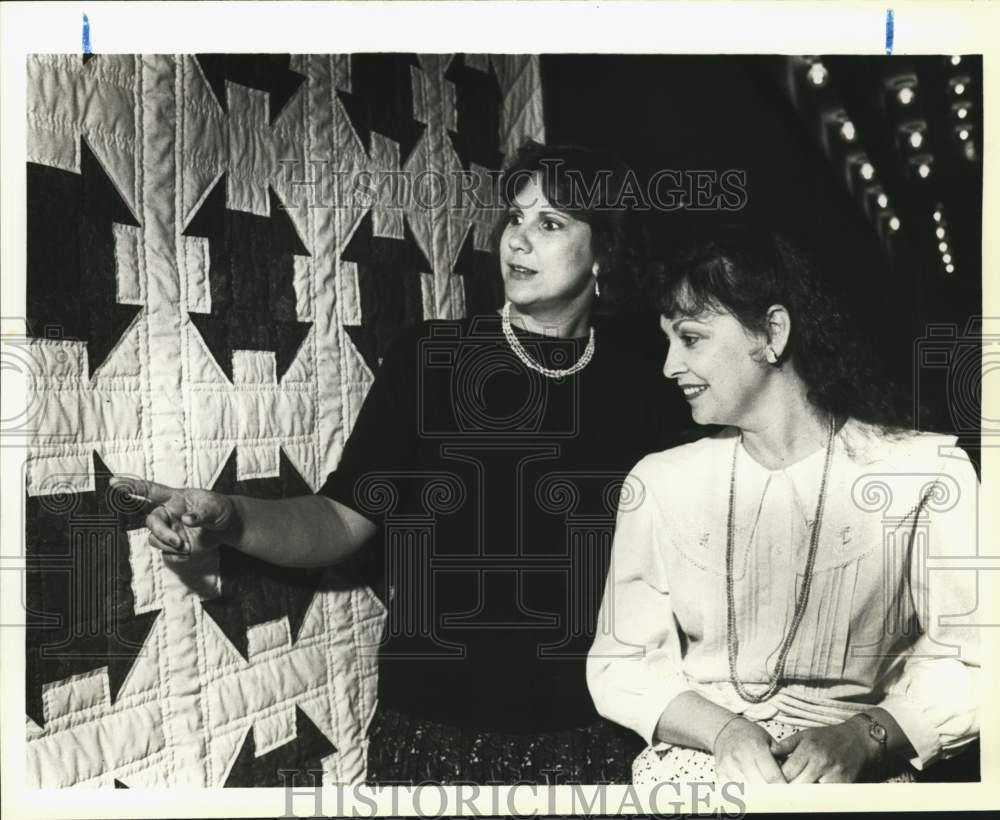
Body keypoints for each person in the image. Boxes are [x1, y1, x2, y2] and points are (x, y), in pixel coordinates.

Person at [113, 142, 690, 784]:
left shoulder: (650, 394)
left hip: (588, 742)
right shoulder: (431, 359)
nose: (517, 240)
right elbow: (340, 518)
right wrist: (229, 517)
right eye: (515, 218)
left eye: (550, 223)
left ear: (603, 254)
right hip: (430, 736)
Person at [587, 226, 980, 785]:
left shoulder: (925, 475)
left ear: (772, 332)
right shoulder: (659, 483)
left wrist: (865, 735)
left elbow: (980, 655)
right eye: (667, 342)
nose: (669, 366)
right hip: (700, 773)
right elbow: (621, 661)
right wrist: (725, 732)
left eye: (691, 339)